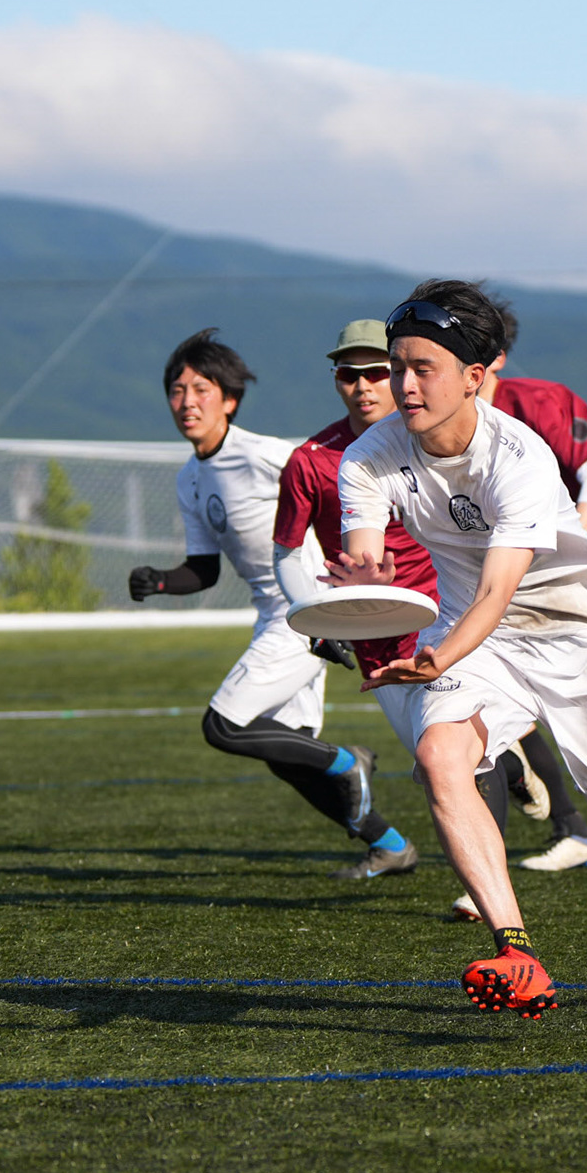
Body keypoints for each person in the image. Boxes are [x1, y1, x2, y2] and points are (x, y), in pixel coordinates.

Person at [330, 280, 587, 1016]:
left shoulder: (520, 458)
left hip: (578, 633)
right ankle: (516, 953)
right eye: (397, 367)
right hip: (477, 633)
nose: (403, 385)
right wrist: (362, 585)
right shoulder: (367, 457)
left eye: (423, 369)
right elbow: (366, 553)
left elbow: (498, 591)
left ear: (474, 377)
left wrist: (437, 658)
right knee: (439, 757)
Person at [128, 328, 418, 880]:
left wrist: (333, 605)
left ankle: (348, 760)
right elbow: (204, 570)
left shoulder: (266, 455)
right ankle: (391, 844)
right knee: (287, 757)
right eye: (177, 391)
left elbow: (334, 482)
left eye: (201, 390)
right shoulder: (190, 478)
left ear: (230, 400)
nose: (187, 403)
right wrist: (159, 581)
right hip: (275, 614)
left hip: (306, 609)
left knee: (223, 727)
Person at [270, 319, 550, 880]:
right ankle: (514, 770)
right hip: (376, 638)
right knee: (434, 761)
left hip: (447, 619)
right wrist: (324, 616)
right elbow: (285, 552)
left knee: (458, 763)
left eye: (380, 371)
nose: (365, 386)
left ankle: (487, 891)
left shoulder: (444, 437)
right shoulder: (313, 459)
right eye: (349, 375)